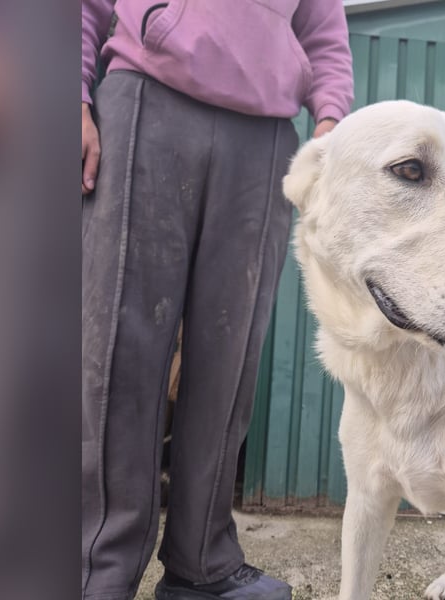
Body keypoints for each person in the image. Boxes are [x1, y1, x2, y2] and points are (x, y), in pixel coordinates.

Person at [80, 2, 353, 599]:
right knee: (121, 349)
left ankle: (202, 563)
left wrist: (332, 121)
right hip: (148, 96)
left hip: (265, 135)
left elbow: (324, 33)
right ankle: (92, 569)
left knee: (229, 356)